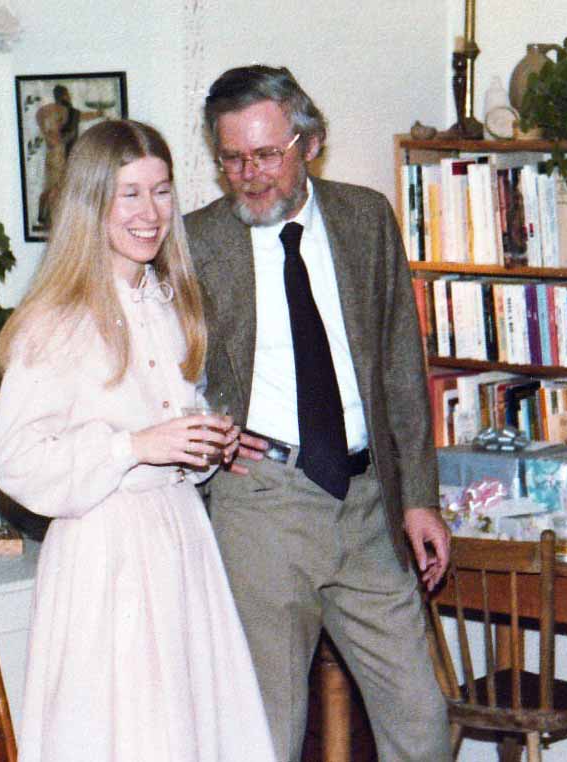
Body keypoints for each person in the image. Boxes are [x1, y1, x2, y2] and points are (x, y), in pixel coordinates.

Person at [184, 65, 453, 762]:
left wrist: (419, 498)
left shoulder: (365, 219)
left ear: (310, 143)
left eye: (267, 154)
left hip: (366, 505)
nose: (250, 175)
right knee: (268, 731)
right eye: (232, 159)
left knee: (421, 723)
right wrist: (209, 432)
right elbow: (162, 366)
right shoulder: (193, 242)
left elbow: (399, 361)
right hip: (261, 504)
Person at [0, 119, 276, 762]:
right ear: (93, 204)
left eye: (162, 191)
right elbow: (16, 463)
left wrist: (206, 441)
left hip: (180, 541)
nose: (151, 213)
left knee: (193, 730)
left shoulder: (171, 303)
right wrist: (134, 446)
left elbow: (167, 425)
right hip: (105, 558)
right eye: (130, 194)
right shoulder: (54, 321)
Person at [35, 85, 105, 228]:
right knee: (55, 187)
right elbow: (83, 116)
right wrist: (48, 134)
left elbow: (82, 116)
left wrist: (46, 132)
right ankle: (49, 218)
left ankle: (47, 217)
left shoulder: (53, 110)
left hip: (58, 153)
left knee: (53, 187)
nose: (70, 97)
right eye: (68, 95)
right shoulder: (62, 111)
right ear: (65, 96)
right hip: (59, 154)